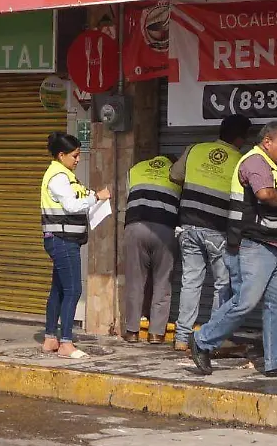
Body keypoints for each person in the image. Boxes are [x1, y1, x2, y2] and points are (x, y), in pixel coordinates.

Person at [191, 121, 277, 377]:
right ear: (268, 141)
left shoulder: (272, 167)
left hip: (273, 245)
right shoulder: (256, 161)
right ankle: (202, 341)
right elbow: (265, 195)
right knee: (244, 302)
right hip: (253, 244)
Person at [170, 115, 253, 352]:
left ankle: (182, 338)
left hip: (187, 226)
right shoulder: (242, 160)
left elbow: (175, 176)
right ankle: (215, 338)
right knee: (222, 284)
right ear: (241, 138)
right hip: (217, 230)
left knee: (190, 282)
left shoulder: (195, 149)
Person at [40, 132, 110, 359]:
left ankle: (51, 338)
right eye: (75, 155)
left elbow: (77, 198)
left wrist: (93, 197)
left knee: (59, 289)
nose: (78, 159)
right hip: (62, 240)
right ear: (61, 155)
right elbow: (71, 206)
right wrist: (96, 198)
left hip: (63, 239)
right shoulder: (58, 176)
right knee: (73, 290)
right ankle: (66, 343)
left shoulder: (65, 175)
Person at [122, 154, 181, 344]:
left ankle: (132, 331)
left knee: (134, 281)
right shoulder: (177, 172)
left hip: (135, 226)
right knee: (163, 282)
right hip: (165, 229)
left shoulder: (136, 169)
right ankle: (156, 333)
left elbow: (127, 196)